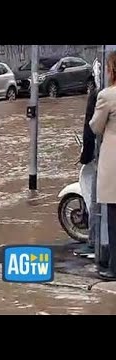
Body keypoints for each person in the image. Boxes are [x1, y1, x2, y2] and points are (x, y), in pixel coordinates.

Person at [89, 50, 116, 280]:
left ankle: (115, 267)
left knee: (114, 217)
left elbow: (96, 127)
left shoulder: (107, 95)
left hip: (113, 163)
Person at [73, 85, 99, 259]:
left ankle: (94, 244)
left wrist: (85, 157)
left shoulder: (100, 95)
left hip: (102, 160)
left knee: (95, 201)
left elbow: (90, 129)